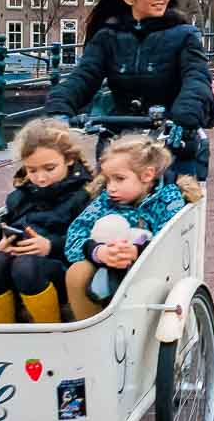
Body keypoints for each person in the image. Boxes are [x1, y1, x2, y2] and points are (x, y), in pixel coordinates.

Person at [45, 0, 214, 180]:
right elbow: (84, 76)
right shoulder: (108, 36)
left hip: (169, 139)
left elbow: (197, 79)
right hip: (121, 140)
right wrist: (60, 109)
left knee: (175, 202)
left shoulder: (185, 35)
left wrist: (183, 117)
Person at [62, 132, 206, 319]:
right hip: (105, 264)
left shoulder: (168, 199)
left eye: (119, 179)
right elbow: (75, 233)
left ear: (147, 175)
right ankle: (91, 334)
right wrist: (98, 252)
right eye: (107, 180)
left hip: (151, 270)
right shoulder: (105, 200)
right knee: (77, 273)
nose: (111, 187)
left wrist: (138, 251)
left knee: (139, 281)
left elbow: (170, 241)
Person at [0, 118, 95, 324]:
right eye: (32, 171)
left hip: (61, 268)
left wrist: (50, 246)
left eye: (49, 168)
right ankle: (1, 331)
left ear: (69, 159)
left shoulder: (85, 195)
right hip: (19, 266)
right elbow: (8, 228)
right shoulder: (19, 197)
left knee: (27, 266)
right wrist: (3, 245)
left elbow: (88, 240)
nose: (40, 178)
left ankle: (49, 330)